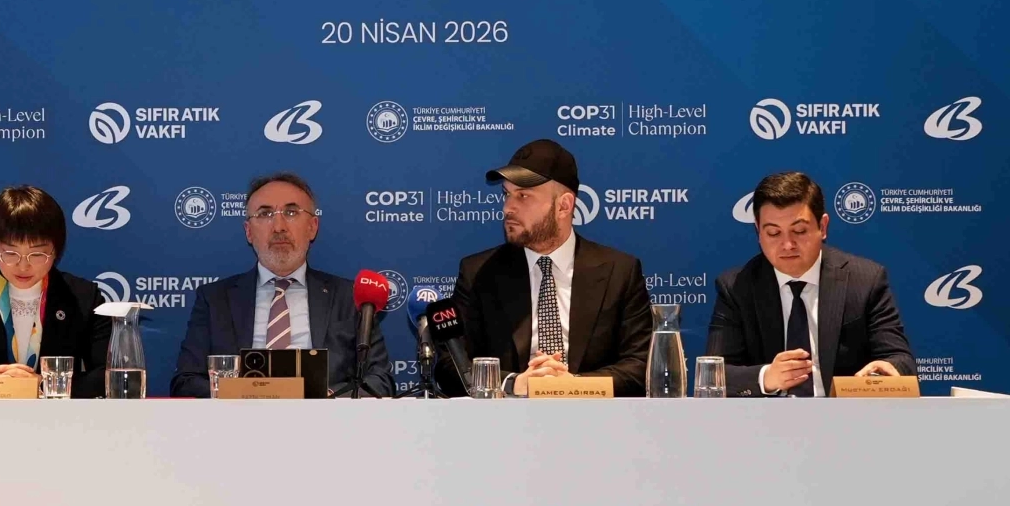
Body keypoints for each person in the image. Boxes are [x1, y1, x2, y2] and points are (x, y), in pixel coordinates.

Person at [445, 139, 654, 397]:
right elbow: (451, 365)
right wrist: (513, 383)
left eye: (523, 196)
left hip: (596, 417)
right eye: (506, 194)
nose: (508, 208)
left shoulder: (620, 272)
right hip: (507, 418)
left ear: (564, 206)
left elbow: (641, 366)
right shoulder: (479, 273)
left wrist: (574, 385)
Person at [171, 172, 395, 398]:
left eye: (291, 212)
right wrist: (244, 393)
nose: (279, 227)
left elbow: (380, 381)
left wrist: (326, 397)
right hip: (240, 417)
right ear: (248, 231)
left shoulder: (351, 298)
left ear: (313, 227)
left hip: (325, 417)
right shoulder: (215, 300)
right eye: (265, 214)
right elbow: (186, 382)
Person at [706, 171, 916, 397]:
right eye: (774, 233)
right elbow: (714, 374)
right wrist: (766, 377)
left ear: (822, 227)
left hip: (846, 415)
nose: (787, 244)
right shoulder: (736, 288)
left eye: (799, 231)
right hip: (766, 417)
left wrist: (886, 369)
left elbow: (901, 359)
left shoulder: (865, 281)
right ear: (758, 231)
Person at [0, 186, 111, 397]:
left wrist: (45, 384)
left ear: (55, 251)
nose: (23, 266)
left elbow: (107, 376)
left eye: (37, 254)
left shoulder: (84, 297)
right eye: (10, 253)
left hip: (58, 416)